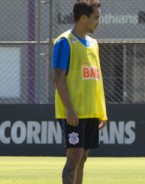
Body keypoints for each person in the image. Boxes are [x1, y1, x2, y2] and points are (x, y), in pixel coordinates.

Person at [52, 0, 107, 183]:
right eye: (96, 18)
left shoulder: (93, 43)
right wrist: (69, 109)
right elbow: (58, 77)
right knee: (74, 158)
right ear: (83, 18)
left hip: (91, 112)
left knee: (82, 158)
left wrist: (101, 112)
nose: (98, 21)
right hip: (73, 112)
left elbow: (96, 80)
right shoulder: (64, 42)